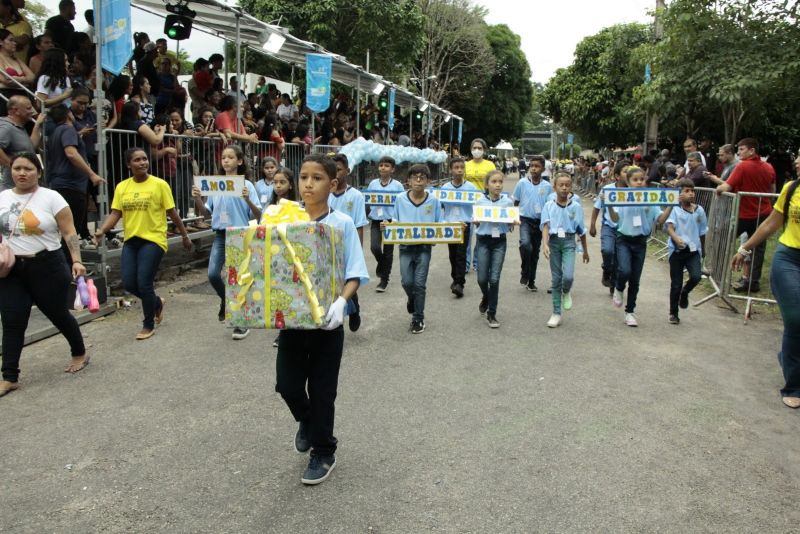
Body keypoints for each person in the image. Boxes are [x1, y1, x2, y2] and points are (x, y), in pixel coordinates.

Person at [275, 153, 368, 485]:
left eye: (316, 178)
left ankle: (324, 452)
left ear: (334, 184)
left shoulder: (341, 223)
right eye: (303, 177)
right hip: (293, 320)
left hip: (328, 323)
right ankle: (308, 421)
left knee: (323, 390)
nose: (308, 183)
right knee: (286, 384)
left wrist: (342, 303)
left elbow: (355, 272)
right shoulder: (284, 220)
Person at [0, 152, 90, 397]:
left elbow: (69, 232)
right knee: (11, 319)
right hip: (11, 269)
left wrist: (77, 261)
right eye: (17, 168)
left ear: (38, 172)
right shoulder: (3, 197)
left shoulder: (52, 198)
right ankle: (9, 376)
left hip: (47, 265)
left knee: (57, 314)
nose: (21, 173)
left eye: (28, 168)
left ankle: (79, 352)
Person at [93, 147, 192, 340]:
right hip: (131, 240)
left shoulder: (160, 185)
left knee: (144, 283)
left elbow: (172, 213)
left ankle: (148, 324)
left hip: (154, 239)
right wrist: (102, 231)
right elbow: (115, 213)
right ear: (129, 164)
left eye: (145, 159)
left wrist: (184, 235)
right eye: (137, 160)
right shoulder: (122, 187)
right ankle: (156, 302)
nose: (142, 163)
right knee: (130, 283)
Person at [731, 172, 799, 409]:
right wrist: (745, 249)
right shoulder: (792, 188)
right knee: (795, 318)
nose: (798, 161)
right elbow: (771, 222)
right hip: (790, 258)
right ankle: (794, 385)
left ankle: (788, 356)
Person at [192, 145, 261, 340]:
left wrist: (248, 200)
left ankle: (241, 323)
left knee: (237, 280)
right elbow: (206, 213)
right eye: (223, 157)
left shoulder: (247, 185)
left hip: (240, 235)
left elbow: (259, 214)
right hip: (220, 235)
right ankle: (226, 301)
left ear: (239, 161)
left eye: (231, 157)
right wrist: (198, 199)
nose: (226, 160)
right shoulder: (215, 185)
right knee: (213, 274)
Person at [609, 165, 673, 327]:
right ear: (628, 182)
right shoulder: (621, 197)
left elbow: (660, 220)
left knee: (635, 279)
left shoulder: (650, 198)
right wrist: (609, 205)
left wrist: (671, 205)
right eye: (635, 180)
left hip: (640, 242)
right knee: (624, 270)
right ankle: (618, 287)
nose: (638, 182)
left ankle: (630, 312)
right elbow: (615, 219)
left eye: (641, 179)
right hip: (623, 239)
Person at [716, 138, 776, 293]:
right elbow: (772, 190)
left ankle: (718, 273)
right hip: (763, 214)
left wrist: (718, 189)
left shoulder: (742, 167)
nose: (739, 152)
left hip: (744, 214)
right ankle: (753, 281)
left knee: (723, 237)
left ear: (752, 151)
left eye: (742, 149)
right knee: (759, 248)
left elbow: (727, 186)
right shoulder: (769, 167)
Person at [45, 104, 103, 258]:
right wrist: (92, 174)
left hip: (60, 184)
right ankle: (69, 267)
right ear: (69, 115)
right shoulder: (68, 129)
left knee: (64, 230)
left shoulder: (55, 133)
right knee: (70, 231)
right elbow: (71, 153)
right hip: (71, 185)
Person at [391, 163, 442, 334]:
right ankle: (412, 299)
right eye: (415, 177)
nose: (418, 180)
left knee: (419, 284)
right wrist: (388, 225)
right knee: (407, 282)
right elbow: (394, 221)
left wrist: (456, 228)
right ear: (408, 181)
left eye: (422, 177)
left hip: (424, 247)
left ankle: (418, 318)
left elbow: (439, 224)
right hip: (405, 247)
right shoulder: (400, 199)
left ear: (428, 181)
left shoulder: (434, 200)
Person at [541, 171, 589, 328]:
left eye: (567, 185)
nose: (564, 188)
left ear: (571, 187)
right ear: (554, 187)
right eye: (560, 185)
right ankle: (556, 312)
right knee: (556, 278)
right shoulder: (548, 206)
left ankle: (566, 291)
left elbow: (581, 230)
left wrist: (585, 251)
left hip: (569, 242)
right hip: (554, 242)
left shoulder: (576, 207)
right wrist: (545, 244)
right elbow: (546, 226)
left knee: (567, 276)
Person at [328, 153, 367, 332]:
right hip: (327, 246)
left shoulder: (356, 196)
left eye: (339, 170)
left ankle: (353, 308)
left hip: (346, 245)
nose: (335, 173)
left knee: (348, 280)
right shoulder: (325, 193)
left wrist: (357, 249)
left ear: (347, 171)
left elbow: (359, 224)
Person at [474, 169, 513, 328]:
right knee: (482, 278)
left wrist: (514, 222)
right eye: (494, 182)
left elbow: (510, 222)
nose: (497, 185)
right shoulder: (480, 201)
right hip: (483, 240)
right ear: (487, 184)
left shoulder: (507, 202)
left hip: (499, 242)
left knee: (494, 278)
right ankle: (486, 296)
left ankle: (492, 313)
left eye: (500, 182)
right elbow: (476, 222)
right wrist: (475, 220)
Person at [665, 178, 707, 324]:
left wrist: (704, 248)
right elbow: (669, 227)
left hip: (693, 251)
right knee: (676, 283)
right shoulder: (674, 209)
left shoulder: (699, 210)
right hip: (677, 251)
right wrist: (676, 239)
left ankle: (685, 292)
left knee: (696, 276)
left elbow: (702, 232)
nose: (691, 194)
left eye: (692, 191)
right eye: (687, 191)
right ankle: (673, 313)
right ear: (679, 193)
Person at [512, 155, 552, 292]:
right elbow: (516, 201)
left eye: (537, 166)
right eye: (532, 166)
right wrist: (514, 217)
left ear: (543, 169)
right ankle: (524, 271)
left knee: (535, 252)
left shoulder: (547, 186)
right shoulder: (522, 183)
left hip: (540, 222)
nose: (534, 168)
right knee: (525, 244)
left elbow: (549, 206)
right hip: (525, 220)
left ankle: (531, 281)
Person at [441, 156, 478, 298]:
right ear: (451, 170)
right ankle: (455, 277)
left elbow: (476, 206)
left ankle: (459, 283)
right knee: (452, 254)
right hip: (450, 224)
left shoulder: (471, 188)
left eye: (462, 167)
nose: (459, 170)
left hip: (464, 224)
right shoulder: (445, 187)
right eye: (456, 168)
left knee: (462, 253)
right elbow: (441, 207)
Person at [590, 160, 628, 293]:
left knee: (619, 258)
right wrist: (592, 225)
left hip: (625, 230)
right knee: (607, 251)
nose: (629, 174)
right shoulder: (607, 189)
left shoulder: (634, 192)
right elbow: (596, 207)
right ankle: (606, 269)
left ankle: (614, 285)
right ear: (617, 176)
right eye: (625, 171)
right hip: (609, 227)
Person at [366, 156, 403, 292]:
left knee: (388, 251)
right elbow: (368, 200)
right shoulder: (373, 184)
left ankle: (384, 280)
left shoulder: (397, 186)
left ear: (392, 169)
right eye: (381, 165)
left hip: (390, 221)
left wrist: (394, 221)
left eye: (386, 165)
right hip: (376, 220)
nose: (383, 167)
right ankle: (381, 265)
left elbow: (401, 204)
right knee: (374, 247)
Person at [464, 138, 496, 272]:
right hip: (467, 204)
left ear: (484, 150)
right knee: (467, 234)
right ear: (471, 149)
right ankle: (465, 264)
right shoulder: (465, 165)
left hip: (483, 203)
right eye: (474, 148)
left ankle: (477, 262)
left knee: (480, 234)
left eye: (479, 148)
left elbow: (494, 182)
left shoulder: (490, 165)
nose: (476, 150)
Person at [0, 94, 43, 190]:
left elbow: (31, 146)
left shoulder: (18, 127)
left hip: (24, 188)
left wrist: (37, 125)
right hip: (12, 189)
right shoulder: (7, 127)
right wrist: (13, 167)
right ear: (16, 111)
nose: (32, 111)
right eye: (28, 108)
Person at [0, 28, 34, 115]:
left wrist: (16, 79)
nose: (15, 43)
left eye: (14, 41)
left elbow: (33, 77)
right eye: (11, 40)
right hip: (6, 98)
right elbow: (5, 80)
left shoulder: (17, 60)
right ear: (1, 42)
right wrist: (24, 80)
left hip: (23, 96)